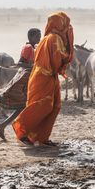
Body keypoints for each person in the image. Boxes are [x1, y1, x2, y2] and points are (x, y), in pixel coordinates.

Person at [12, 12, 73, 147]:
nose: (67, 26)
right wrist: (66, 60)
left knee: (54, 106)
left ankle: (41, 137)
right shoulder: (54, 39)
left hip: (49, 76)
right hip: (44, 76)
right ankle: (21, 128)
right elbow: (58, 58)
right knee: (44, 105)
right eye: (64, 23)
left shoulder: (49, 38)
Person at [0, 28, 41, 140]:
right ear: (32, 37)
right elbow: (20, 63)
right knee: (23, 105)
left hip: (28, 77)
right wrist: (34, 67)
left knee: (24, 106)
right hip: (24, 78)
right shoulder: (28, 48)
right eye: (38, 36)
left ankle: (4, 126)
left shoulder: (32, 47)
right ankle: (3, 126)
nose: (39, 38)